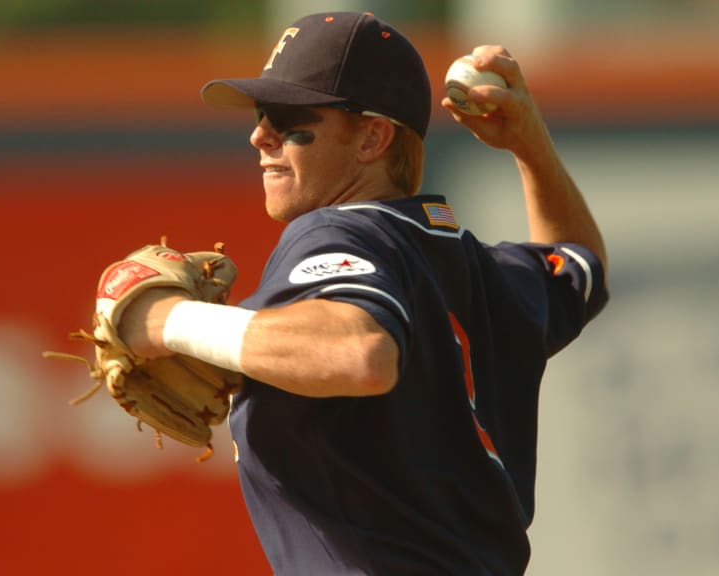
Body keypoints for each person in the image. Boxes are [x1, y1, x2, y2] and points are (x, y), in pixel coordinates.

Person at [121, 11, 609, 575]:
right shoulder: (458, 257)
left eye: (287, 117)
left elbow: (360, 353)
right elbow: (579, 266)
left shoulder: (337, 230)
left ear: (373, 137)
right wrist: (530, 144)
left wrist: (167, 321)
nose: (260, 135)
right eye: (261, 114)